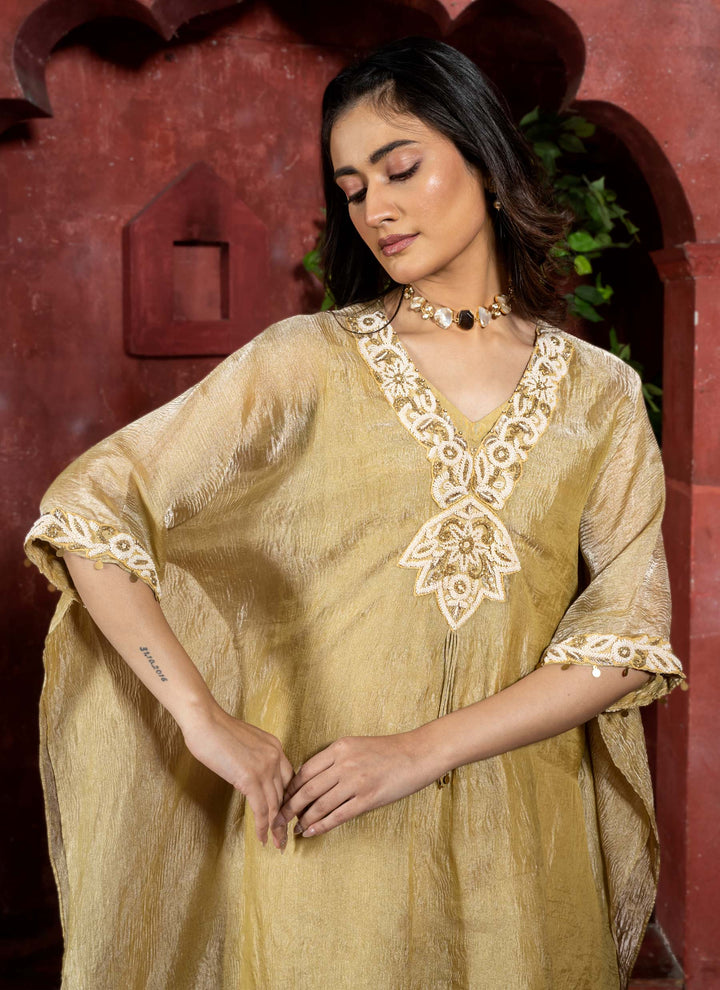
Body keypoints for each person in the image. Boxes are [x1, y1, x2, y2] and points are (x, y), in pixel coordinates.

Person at [25, 36, 685, 990]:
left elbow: (624, 639)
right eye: (349, 186)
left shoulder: (600, 394)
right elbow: (89, 511)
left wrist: (418, 752)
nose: (373, 207)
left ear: (487, 163)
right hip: (327, 846)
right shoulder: (306, 360)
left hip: (525, 854)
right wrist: (201, 715)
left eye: (400, 167)